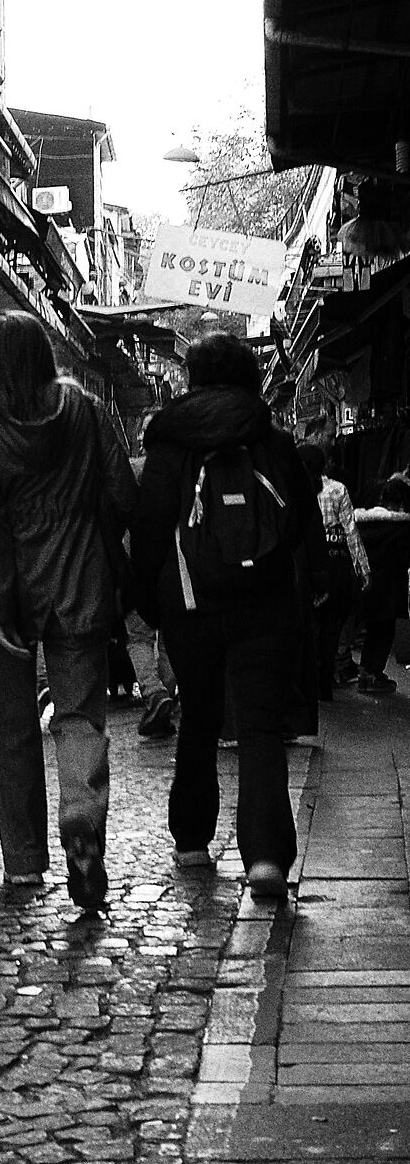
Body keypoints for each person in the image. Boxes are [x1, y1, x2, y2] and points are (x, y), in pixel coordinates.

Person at [131, 332, 324, 902]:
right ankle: (265, 857)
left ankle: (193, 840)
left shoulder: (170, 443)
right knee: (260, 725)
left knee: (199, 715)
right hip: (265, 603)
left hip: (191, 605)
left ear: (192, 378)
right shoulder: (273, 440)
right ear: (250, 378)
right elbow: (301, 521)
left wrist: (148, 601)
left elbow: (149, 527)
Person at [0, 312, 135, 912]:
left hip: (9, 590)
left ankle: (23, 864)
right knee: (80, 716)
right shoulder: (86, 410)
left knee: (13, 731)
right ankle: (81, 819)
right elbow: (124, 494)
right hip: (82, 580)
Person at [305, 445, 371, 696]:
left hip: (308, 562)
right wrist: (363, 568)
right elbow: (351, 531)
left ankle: (311, 678)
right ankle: (326, 679)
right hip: (336, 562)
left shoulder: (295, 488)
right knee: (332, 623)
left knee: (311, 622)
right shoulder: (338, 489)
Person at [354, 472, 410, 694]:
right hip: (390, 588)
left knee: (372, 630)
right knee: (384, 632)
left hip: (368, 586)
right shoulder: (401, 528)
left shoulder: (364, 524)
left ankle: (365, 671)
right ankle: (373, 673)